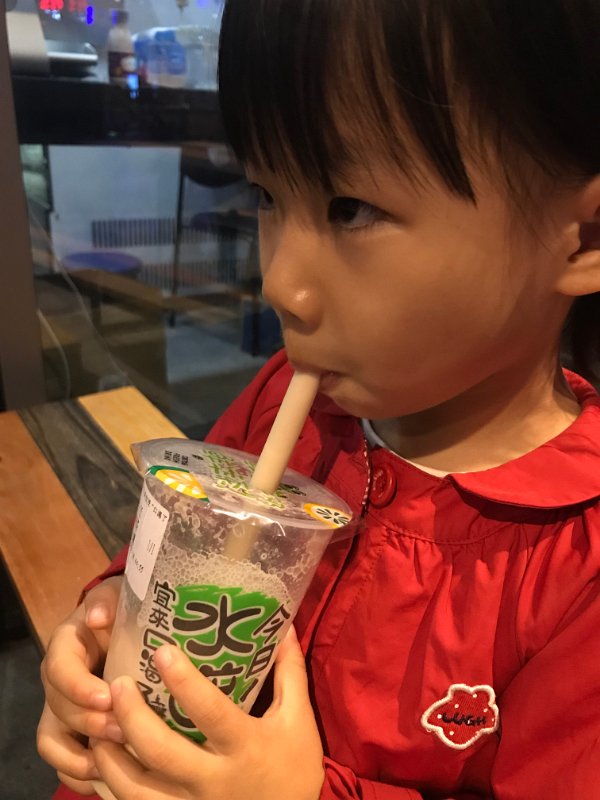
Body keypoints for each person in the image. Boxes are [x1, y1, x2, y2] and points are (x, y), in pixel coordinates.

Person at [37, 1, 600, 798]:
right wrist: (104, 621)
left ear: (585, 238)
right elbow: (181, 550)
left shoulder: (578, 567)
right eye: (268, 194)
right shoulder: (283, 399)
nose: (280, 284)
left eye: (350, 210)